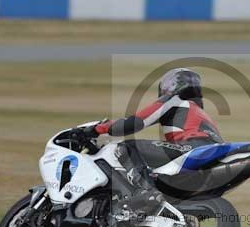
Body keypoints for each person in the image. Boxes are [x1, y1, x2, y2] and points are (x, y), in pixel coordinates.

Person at [92, 68, 223, 214]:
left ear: (171, 85)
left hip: (192, 148)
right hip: (209, 155)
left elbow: (136, 122)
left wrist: (99, 128)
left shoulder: (175, 101)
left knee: (124, 147)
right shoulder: (198, 111)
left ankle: (145, 192)